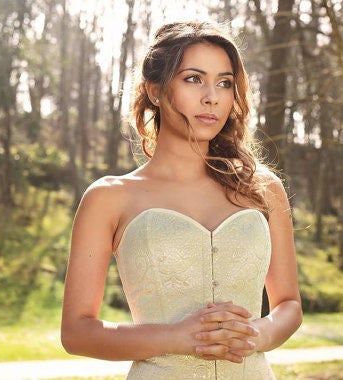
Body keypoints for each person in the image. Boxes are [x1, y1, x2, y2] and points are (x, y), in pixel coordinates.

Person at [60, 20, 302, 379]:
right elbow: (77, 332)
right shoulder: (109, 198)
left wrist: (257, 333)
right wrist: (176, 337)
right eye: (193, 79)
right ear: (154, 90)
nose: (212, 97)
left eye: (224, 83)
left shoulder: (262, 188)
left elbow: (289, 304)